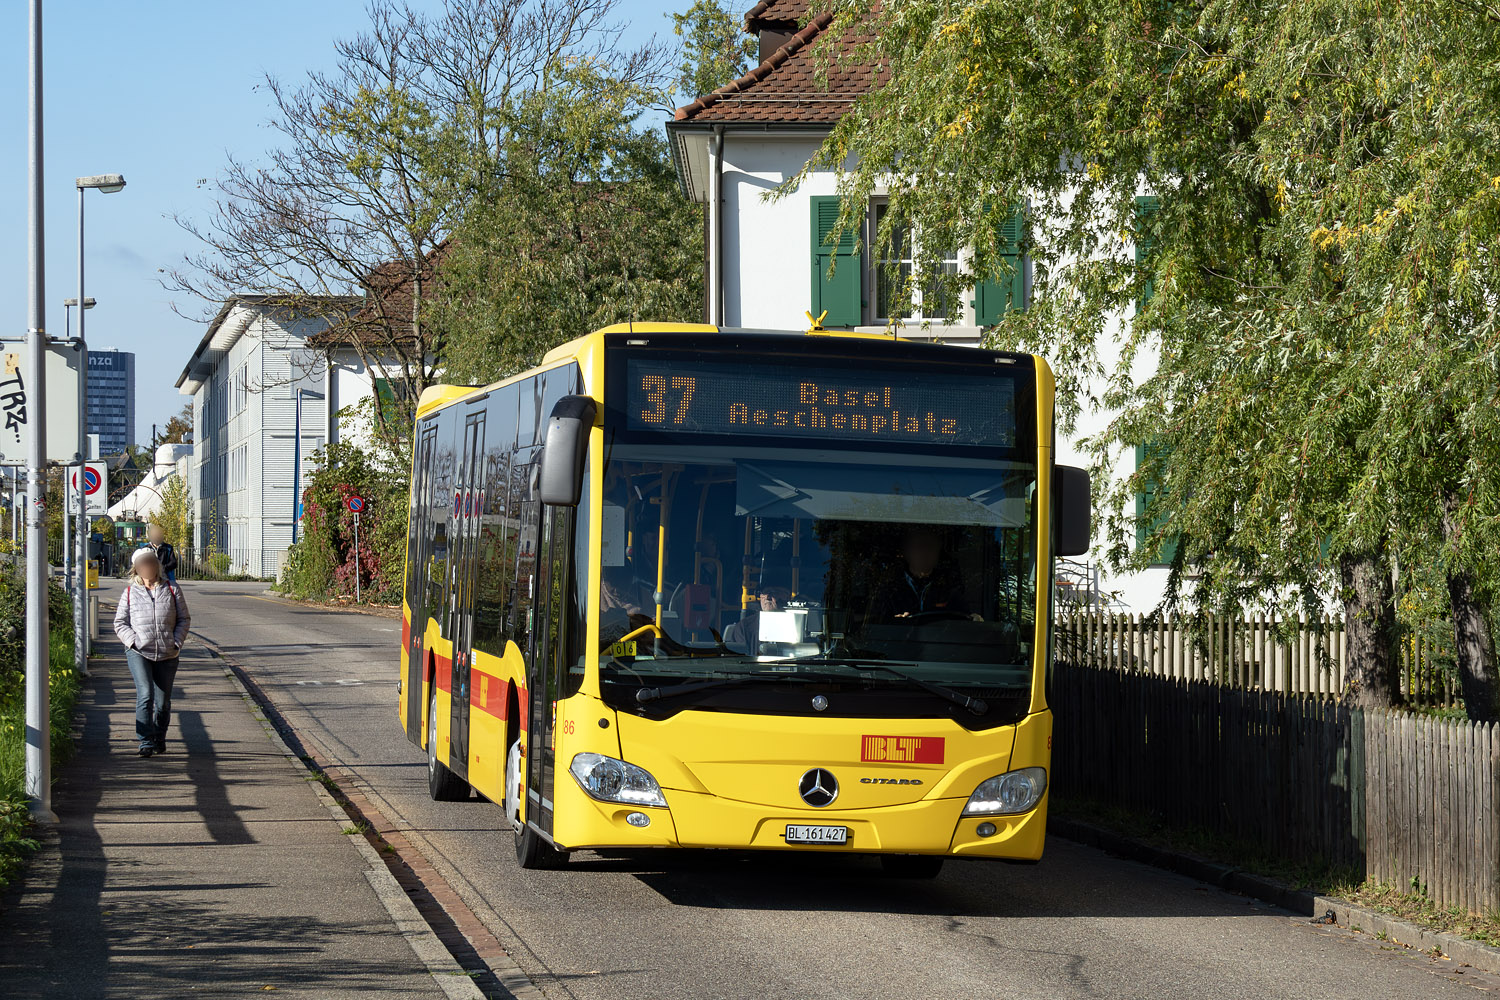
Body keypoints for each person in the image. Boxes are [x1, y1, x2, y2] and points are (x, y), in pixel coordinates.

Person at [114, 547, 190, 757]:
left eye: (150, 563)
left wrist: (176, 642)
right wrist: (133, 642)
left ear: (156, 566)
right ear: (136, 569)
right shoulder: (130, 592)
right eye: (142, 565)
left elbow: (184, 619)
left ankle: (159, 736)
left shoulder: (172, 589)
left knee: (163, 702)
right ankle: (145, 741)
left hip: (168, 652)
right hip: (139, 652)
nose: (147, 568)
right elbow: (120, 623)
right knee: (145, 694)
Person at [869, 527, 976, 622]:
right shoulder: (889, 590)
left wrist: (974, 619)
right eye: (919, 546)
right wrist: (896, 622)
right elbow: (875, 626)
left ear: (938, 551)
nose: (925, 552)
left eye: (931, 546)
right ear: (906, 552)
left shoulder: (949, 589)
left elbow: (964, 620)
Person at [723, 580, 793, 656]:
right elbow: (737, 662)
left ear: (787, 596)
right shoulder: (744, 627)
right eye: (765, 592)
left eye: (775, 592)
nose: (767, 597)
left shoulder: (796, 626)